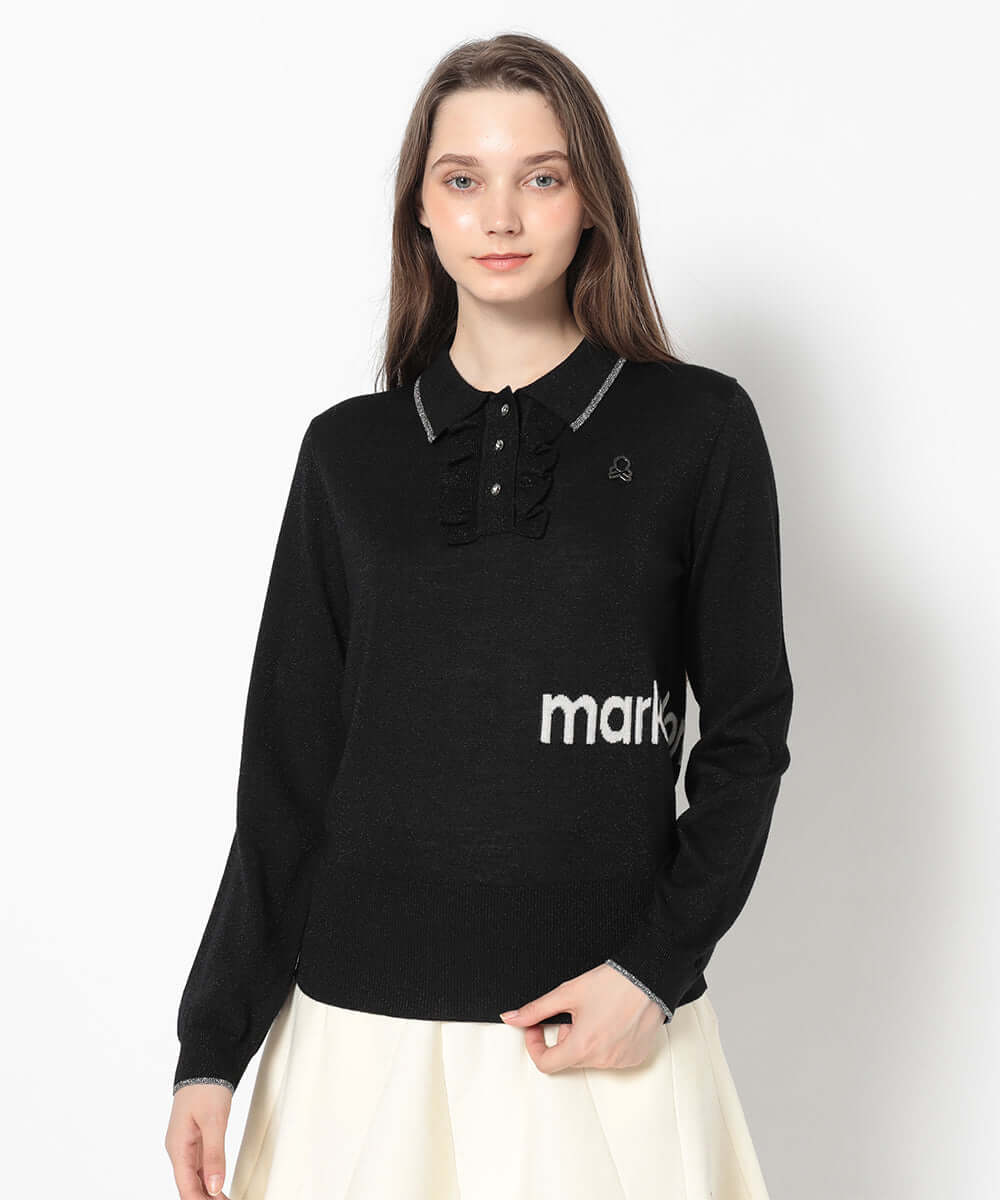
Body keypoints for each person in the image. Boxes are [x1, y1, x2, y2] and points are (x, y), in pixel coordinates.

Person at [164, 31, 793, 1200]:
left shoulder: (696, 431)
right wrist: (212, 1048)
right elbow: (287, 775)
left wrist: (652, 973)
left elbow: (747, 736)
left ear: (591, 201)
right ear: (420, 206)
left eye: (541, 176)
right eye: (462, 178)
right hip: (356, 1048)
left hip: (597, 1041)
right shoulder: (348, 454)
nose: (499, 215)